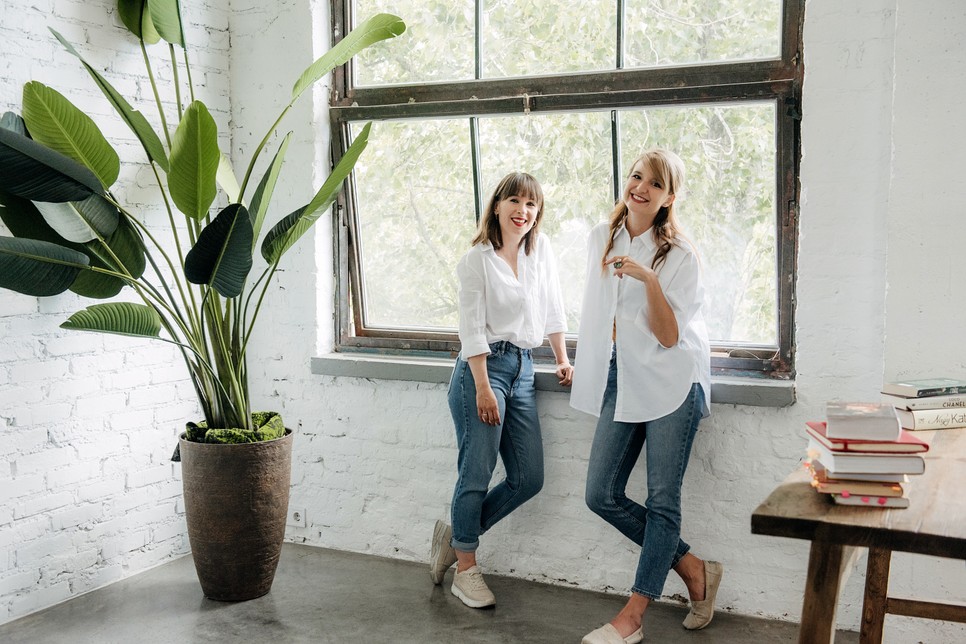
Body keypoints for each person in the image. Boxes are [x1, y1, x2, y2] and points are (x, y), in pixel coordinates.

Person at [570, 149, 721, 644]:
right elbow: (597, 316)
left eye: (654, 184)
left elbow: (671, 336)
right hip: (624, 373)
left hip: (674, 378)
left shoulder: (680, 255)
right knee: (600, 494)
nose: (640, 187)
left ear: (668, 198)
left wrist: (649, 278)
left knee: (662, 500)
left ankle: (633, 615)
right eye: (636, 176)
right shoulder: (602, 238)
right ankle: (693, 567)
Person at [429, 171, 573, 609]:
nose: (523, 212)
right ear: (496, 205)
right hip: (483, 369)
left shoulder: (539, 249)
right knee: (476, 470)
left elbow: (552, 305)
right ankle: (466, 570)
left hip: (525, 369)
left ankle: (456, 537)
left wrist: (562, 357)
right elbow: (470, 328)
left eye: (531, 205)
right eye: (515, 201)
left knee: (528, 478)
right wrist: (482, 388)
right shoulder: (478, 259)